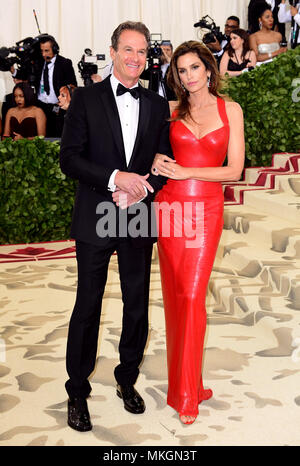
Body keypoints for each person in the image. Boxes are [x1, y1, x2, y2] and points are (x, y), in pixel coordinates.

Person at [59, 21, 172, 432]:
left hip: (138, 215)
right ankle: (77, 390)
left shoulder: (158, 105)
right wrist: (114, 178)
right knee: (87, 306)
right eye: (128, 49)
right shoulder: (86, 99)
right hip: (95, 213)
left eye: (142, 51)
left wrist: (143, 190)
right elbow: (69, 158)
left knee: (136, 303)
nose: (135, 58)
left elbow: (164, 164)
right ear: (112, 51)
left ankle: (127, 379)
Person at [151, 41, 245, 425]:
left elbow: (235, 171)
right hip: (171, 208)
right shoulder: (171, 112)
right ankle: (187, 384)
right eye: (182, 70)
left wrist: (189, 172)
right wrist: (155, 160)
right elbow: (150, 156)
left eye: (195, 68)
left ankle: (188, 391)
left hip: (206, 209)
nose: (189, 76)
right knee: (176, 296)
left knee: (192, 293)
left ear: (209, 69)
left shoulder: (231, 110)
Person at [35, 34, 77, 137]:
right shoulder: (38, 62)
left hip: (56, 108)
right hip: (40, 106)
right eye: (42, 51)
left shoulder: (64, 63)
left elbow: (73, 85)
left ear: (54, 49)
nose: (44, 54)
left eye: (47, 51)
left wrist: (66, 90)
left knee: (56, 137)